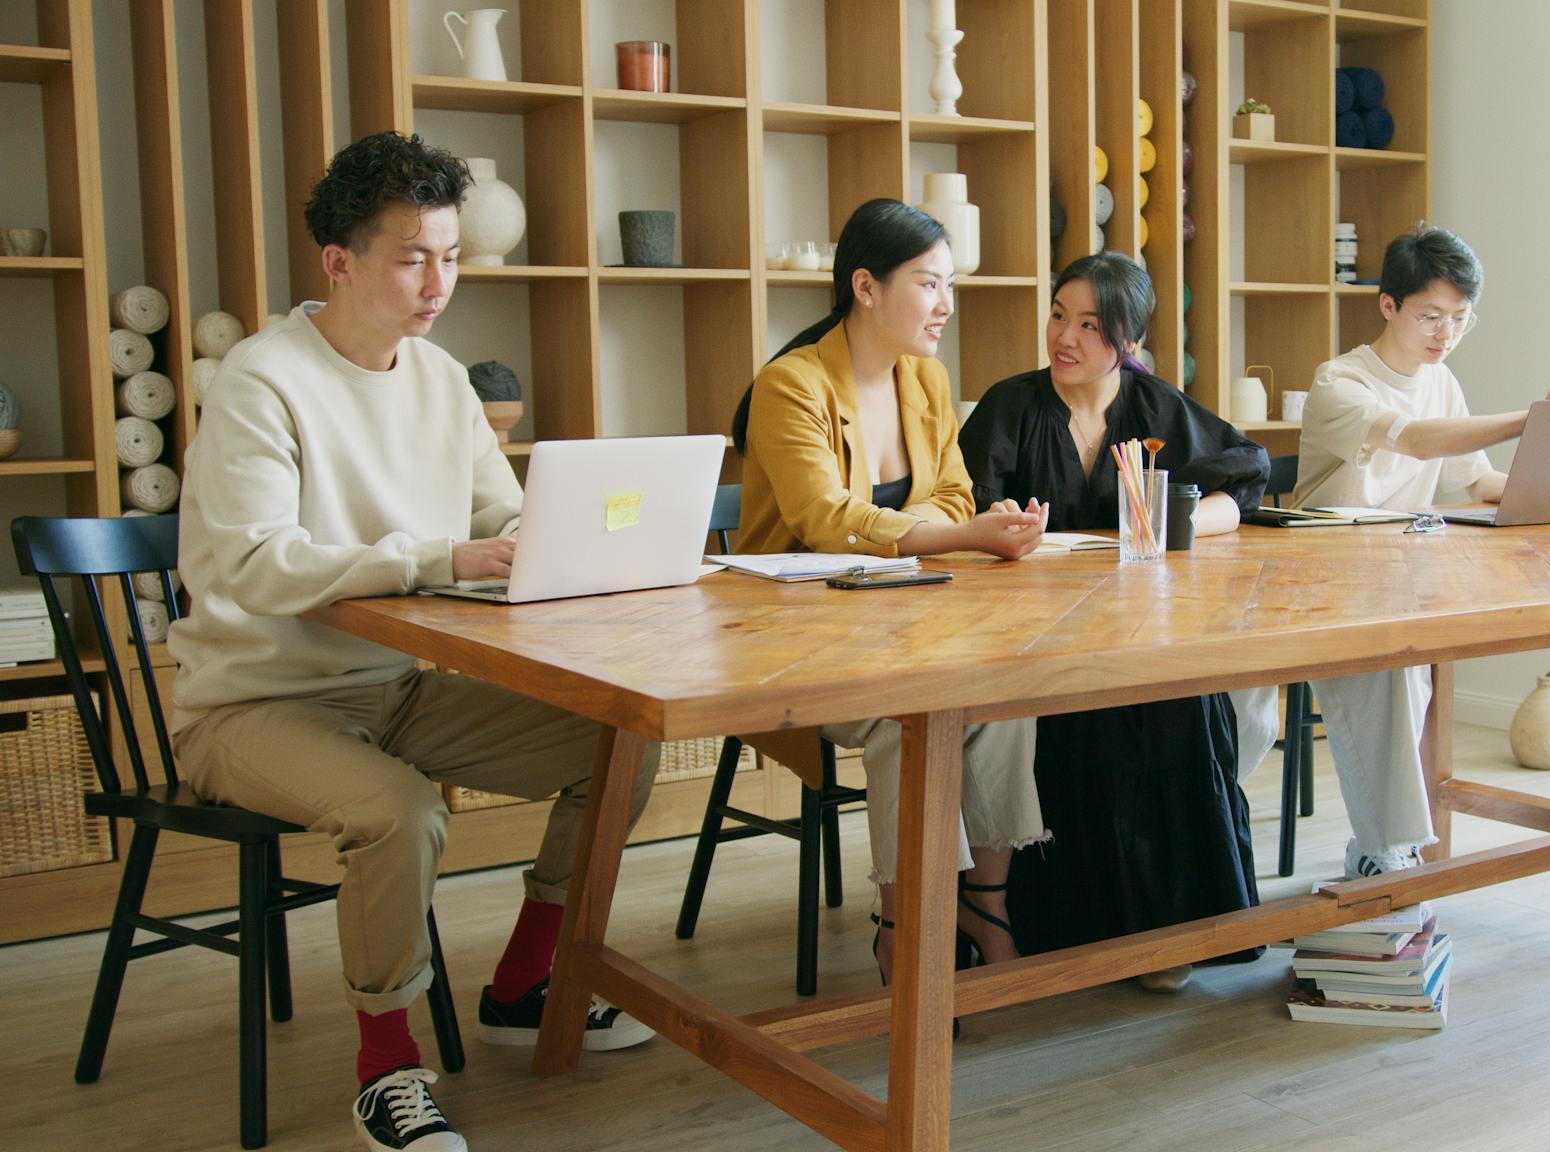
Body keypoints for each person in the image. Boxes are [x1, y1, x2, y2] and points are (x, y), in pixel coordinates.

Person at [169, 132, 659, 1152]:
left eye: (449, 255)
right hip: (249, 705)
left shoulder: (439, 380)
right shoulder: (260, 381)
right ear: (338, 262)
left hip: (394, 688)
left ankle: (528, 980)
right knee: (397, 812)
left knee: (619, 743)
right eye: (411, 256)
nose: (438, 281)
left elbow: (503, 522)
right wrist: (436, 555)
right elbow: (251, 564)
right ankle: (386, 1065)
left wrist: (566, 547)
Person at [732, 197, 1050, 984]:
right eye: (929, 284)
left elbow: (952, 492)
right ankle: (904, 923)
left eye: (951, 285)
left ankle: (985, 904)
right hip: (792, 640)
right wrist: (958, 533)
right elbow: (821, 519)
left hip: (912, 618)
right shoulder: (790, 385)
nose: (946, 305)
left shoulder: (926, 380)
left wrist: (937, 526)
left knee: (1007, 693)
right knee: (913, 712)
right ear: (866, 287)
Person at [958, 251, 1271, 992]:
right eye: (1059, 314)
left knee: (1184, 702)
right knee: (1080, 716)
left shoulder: (1155, 408)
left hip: (1138, 625)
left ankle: (1170, 928)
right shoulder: (1012, 406)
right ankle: (1078, 934)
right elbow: (959, 505)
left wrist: (1189, 527)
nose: (1065, 337)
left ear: (1127, 339)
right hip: (1032, 634)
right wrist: (996, 522)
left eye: (1091, 325)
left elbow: (1249, 472)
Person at [1296, 224, 1550, 879]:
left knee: (1406, 658)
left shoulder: (1443, 380)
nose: (1445, 335)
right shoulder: (1340, 381)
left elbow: (1479, 481)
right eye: (1431, 316)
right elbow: (1420, 443)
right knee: (1390, 663)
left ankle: (1385, 849)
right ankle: (1388, 850)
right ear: (1388, 305)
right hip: (1320, 576)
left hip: (1401, 574)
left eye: (1461, 320)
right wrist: (1531, 419)